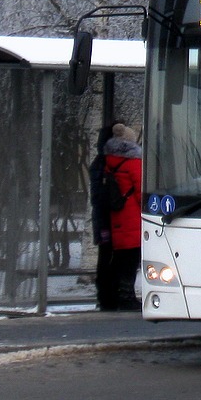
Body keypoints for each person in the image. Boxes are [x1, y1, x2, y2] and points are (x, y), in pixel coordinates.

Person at [103, 122, 143, 311]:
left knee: (121, 258)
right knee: (131, 258)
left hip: (117, 216)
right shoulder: (134, 162)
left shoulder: (110, 161)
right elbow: (142, 191)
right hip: (132, 216)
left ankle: (118, 295)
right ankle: (127, 297)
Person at [88, 122, 118, 311]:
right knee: (108, 256)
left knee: (106, 255)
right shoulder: (104, 164)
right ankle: (106, 296)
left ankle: (106, 295)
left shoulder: (99, 162)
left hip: (103, 217)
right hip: (106, 217)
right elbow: (100, 195)